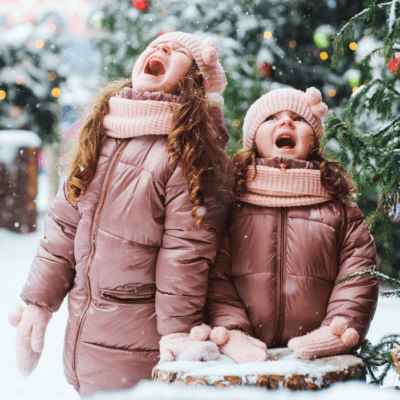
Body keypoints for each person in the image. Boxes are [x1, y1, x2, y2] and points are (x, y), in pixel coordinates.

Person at [9, 32, 233, 396]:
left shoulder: (190, 153)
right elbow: (63, 228)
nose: (160, 49)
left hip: (143, 332)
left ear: (195, 82)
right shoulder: (104, 130)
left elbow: (186, 253)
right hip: (86, 328)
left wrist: (177, 331)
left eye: (177, 52)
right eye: (156, 45)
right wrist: (39, 303)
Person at [206, 87, 379, 363]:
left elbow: (358, 276)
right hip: (242, 358)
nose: (286, 122)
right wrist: (231, 330)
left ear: (314, 142)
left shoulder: (340, 210)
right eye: (271, 117)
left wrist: (337, 329)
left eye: (298, 118)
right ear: (252, 140)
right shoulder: (231, 205)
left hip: (318, 358)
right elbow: (214, 276)